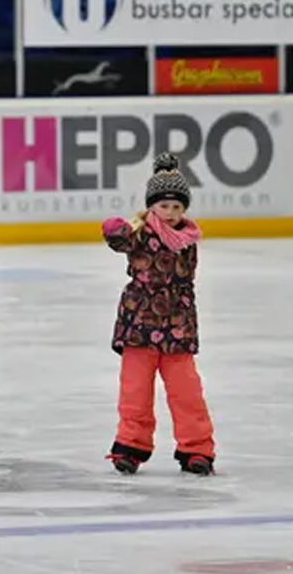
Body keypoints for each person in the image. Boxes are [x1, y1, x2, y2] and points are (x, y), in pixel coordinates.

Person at [101, 152, 216, 476]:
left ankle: (196, 449)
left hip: (178, 327)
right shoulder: (140, 233)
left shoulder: (187, 239)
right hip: (139, 325)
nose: (170, 213)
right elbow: (117, 240)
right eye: (164, 206)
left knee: (187, 392)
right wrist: (114, 228)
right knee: (135, 391)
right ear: (152, 206)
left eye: (177, 207)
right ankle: (130, 445)